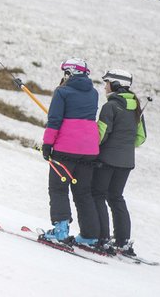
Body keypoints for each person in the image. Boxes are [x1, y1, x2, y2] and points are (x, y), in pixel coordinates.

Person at [40, 58, 101, 246]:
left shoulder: (62, 92)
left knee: (58, 188)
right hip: (89, 149)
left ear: (69, 73)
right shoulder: (94, 93)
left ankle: (60, 230)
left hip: (66, 148)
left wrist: (47, 144)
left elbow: (55, 120)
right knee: (83, 192)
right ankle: (90, 235)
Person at [91, 69, 147, 257]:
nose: (105, 86)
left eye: (107, 83)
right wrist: (123, 145)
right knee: (116, 197)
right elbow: (140, 138)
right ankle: (123, 241)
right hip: (126, 162)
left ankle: (102, 238)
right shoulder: (137, 107)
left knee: (98, 195)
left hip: (106, 160)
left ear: (115, 84)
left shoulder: (111, 106)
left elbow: (100, 135)